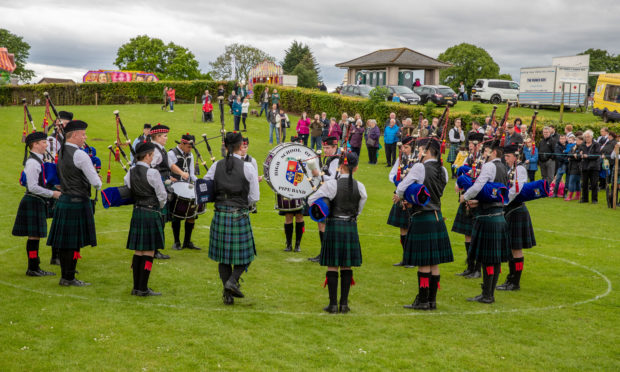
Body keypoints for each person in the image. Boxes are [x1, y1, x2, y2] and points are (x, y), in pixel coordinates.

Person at [396, 137, 452, 310]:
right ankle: (431, 301)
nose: (419, 153)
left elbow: (401, 188)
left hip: (422, 217)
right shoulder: (443, 170)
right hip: (437, 216)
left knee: (424, 263)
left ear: (428, 152)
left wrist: (407, 198)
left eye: (421, 150)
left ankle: (422, 300)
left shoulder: (420, 167)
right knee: (434, 263)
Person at [204, 132, 260, 305]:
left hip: (220, 213)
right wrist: (244, 203)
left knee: (224, 257)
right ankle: (232, 282)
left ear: (225, 146)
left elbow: (205, 185)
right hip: (239, 213)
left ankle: (227, 294)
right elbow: (254, 197)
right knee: (248, 255)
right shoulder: (248, 167)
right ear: (240, 145)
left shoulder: (216, 166)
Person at [308, 152, 367, 313]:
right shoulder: (360, 187)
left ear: (340, 166)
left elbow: (311, 200)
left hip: (334, 225)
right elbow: (359, 209)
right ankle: (344, 304)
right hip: (350, 226)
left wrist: (325, 203)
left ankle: (333, 305)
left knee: (333, 266)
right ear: (355, 169)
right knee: (346, 266)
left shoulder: (331, 185)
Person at [47, 120, 102, 287]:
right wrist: (97, 180)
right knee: (73, 241)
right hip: (78, 200)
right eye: (83, 134)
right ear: (76, 135)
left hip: (65, 199)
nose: (85, 137)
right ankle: (69, 278)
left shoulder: (62, 151)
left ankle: (66, 276)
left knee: (66, 242)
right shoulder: (80, 154)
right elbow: (96, 183)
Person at [461, 140, 511, 304]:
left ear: (494, 152)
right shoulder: (505, 167)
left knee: (488, 258)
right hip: (499, 215)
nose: (485, 154)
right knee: (494, 259)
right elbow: (500, 193)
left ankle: (487, 295)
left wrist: (466, 197)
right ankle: (488, 293)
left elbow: (477, 187)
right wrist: (480, 201)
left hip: (488, 218)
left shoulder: (490, 166)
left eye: (488, 151)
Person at [13, 132, 61, 277]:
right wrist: (53, 194)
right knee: (33, 237)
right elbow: (32, 186)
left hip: (36, 201)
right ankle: (33, 268)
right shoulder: (33, 163)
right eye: (44, 143)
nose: (46, 145)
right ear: (35, 145)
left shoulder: (38, 160)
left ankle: (34, 266)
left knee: (35, 237)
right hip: (33, 201)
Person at [124, 142, 168, 296]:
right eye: (152, 154)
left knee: (138, 251)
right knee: (149, 251)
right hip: (150, 212)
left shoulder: (130, 171)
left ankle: (136, 287)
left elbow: (128, 187)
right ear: (148, 155)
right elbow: (162, 195)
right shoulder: (153, 173)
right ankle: (143, 288)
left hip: (137, 212)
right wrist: (159, 207)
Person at [497, 144, 535, 292]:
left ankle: (515, 281)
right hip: (511, 211)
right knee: (512, 247)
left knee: (516, 248)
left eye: (507, 156)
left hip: (517, 211)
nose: (505, 159)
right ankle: (511, 278)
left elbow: (516, 189)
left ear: (515, 156)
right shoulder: (510, 169)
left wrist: (503, 201)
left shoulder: (520, 169)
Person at [150, 124, 189, 259]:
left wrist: (172, 176)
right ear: (157, 137)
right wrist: (165, 179)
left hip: (162, 185)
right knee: (158, 219)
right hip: (157, 189)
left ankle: (155, 249)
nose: (167, 138)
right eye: (165, 136)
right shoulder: (154, 151)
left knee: (159, 219)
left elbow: (168, 166)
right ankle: (154, 250)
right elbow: (151, 170)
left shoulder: (160, 149)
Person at [453, 133, 484, 279]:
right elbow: (463, 173)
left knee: (477, 236)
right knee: (467, 235)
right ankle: (470, 266)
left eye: (474, 143)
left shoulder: (485, 160)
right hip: (467, 198)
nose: (471, 146)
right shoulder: (470, 158)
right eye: (470, 143)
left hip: (479, 200)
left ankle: (478, 269)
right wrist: (458, 184)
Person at [308, 136, 340, 263]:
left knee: (325, 224)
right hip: (326, 194)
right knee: (321, 223)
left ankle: (326, 253)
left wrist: (318, 174)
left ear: (334, 147)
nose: (325, 150)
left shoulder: (336, 161)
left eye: (328, 148)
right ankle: (324, 252)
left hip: (332, 195)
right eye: (324, 147)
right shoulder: (330, 159)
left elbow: (334, 179)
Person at [168, 134, 201, 251]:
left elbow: (191, 174)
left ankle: (187, 242)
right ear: (182, 144)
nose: (190, 149)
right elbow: (166, 170)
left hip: (187, 187)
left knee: (191, 214)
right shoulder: (171, 154)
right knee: (176, 214)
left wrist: (199, 182)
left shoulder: (190, 155)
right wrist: (170, 178)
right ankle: (176, 242)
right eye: (188, 147)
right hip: (174, 188)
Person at [387, 136, 415, 267]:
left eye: (406, 147)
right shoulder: (400, 158)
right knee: (403, 229)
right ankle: (405, 258)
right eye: (403, 147)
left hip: (413, 198)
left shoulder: (417, 160)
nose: (403, 150)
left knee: (412, 229)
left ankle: (413, 259)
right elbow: (391, 174)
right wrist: (398, 182)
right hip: (400, 195)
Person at [578, 130, 601, 204]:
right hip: (584, 166)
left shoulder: (596, 145)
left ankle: (594, 200)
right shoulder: (582, 145)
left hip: (594, 167)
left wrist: (587, 156)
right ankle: (585, 199)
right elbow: (579, 153)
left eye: (588, 137)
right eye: (585, 137)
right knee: (584, 183)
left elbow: (597, 155)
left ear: (591, 137)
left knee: (594, 184)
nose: (587, 138)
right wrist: (580, 154)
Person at [565, 135, 581, 201]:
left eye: (578, 140)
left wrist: (574, 156)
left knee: (571, 181)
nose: (576, 141)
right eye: (576, 140)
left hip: (577, 167)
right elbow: (569, 154)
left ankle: (570, 196)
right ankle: (577, 196)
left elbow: (578, 157)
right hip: (571, 166)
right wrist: (573, 155)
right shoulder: (574, 146)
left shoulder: (582, 147)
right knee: (577, 182)